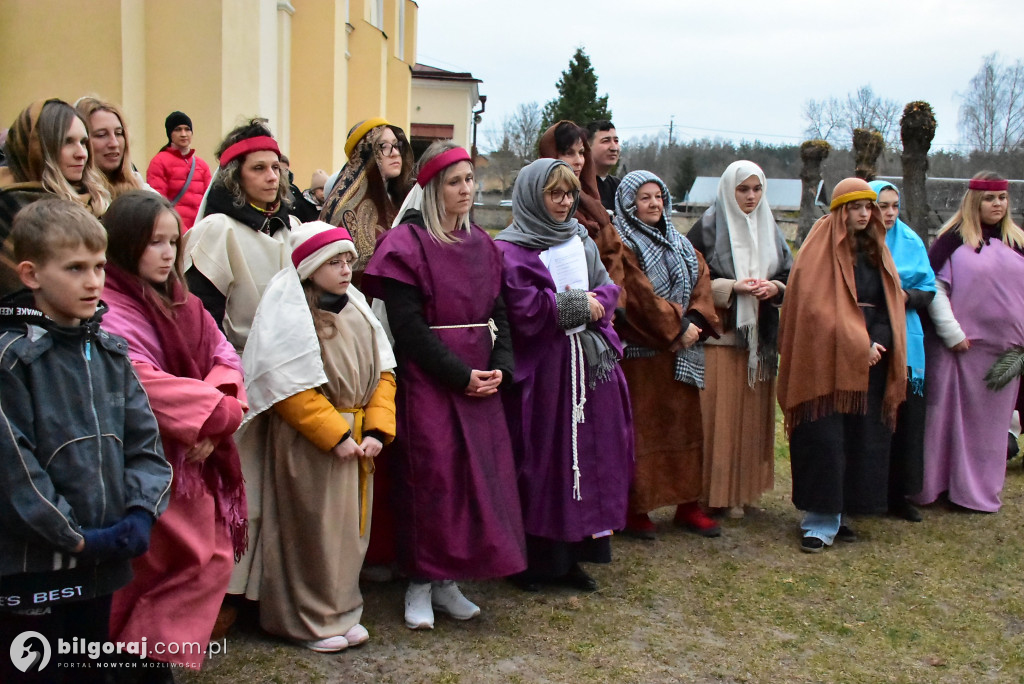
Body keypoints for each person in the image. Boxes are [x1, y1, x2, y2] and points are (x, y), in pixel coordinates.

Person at [0, 199, 172, 681]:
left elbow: (145, 442)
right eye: (75, 268)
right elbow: (15, 469)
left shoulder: (110, 352)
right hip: (34, 569)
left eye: (98, 266)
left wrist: (140, 512)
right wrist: (72, 535)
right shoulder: (11, 361)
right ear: (31, 274)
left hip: (101, 562)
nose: (93, 281)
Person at [362, 141, 526, 630]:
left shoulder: (483, 244)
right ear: (432, 188)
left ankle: (448, 581)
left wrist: (501, 364)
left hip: (480, 382)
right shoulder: (406, 245)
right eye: (455, 182)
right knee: (431, 481)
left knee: (474, 482)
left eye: (470, 180)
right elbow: (409, 330)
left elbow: (499, 313)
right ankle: (418, 581)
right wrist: (459, 376)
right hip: (430, 382)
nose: (466, 190)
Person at [99, 191, 247, 672]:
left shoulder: (184, 302)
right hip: (149, 459)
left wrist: (218, 412)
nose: (166, 253)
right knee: (167, 566)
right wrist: (216, 415)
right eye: (153, 242)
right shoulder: (110, 307)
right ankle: (136, 661)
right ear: (123, 245)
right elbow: (139, 379)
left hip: (194, 457)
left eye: (172, 241)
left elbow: (224, 356)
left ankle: (147, 660)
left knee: (207, 560)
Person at [239, 221, 396, 652]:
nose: (346, 269)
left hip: (360, 440)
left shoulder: (359, 309)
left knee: (349, 533)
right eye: (334, 262)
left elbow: (385, 373)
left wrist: (379, 428)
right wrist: (334, 434)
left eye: (348, 260)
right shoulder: (291, 314)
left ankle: (342, 611)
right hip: (311, 444)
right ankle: (306, 619)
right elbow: (288, 388)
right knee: (311, 531)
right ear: (310, 266)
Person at [495, 158, 632, 592]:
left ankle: (575, 557)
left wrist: (594, 303)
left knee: (589, 458)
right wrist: (578, 306)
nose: (563, 201)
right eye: (554, 193)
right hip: (545, 374)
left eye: (569, 193)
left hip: (587, 366)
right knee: (545, 461)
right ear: (534, 196)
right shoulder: (511, 248)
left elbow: (608, 287)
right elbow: (523, 307)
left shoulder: (580, 239)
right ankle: (534, 562)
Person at [777, 178, 907, 553]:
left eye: (869, 207)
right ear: (839, 210)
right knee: (825, 439)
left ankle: (845, 510)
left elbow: (889, 301)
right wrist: (857, 344)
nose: (864, 214)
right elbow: (815, 310)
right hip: (826, 361)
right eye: (855, 207)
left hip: (873, 359)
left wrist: (877, 341)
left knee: (861, 439)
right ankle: (819, 517)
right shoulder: (818, 250)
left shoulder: (875, 250)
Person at [612, 171, 722, 539]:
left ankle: (688, 504)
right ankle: (636, 509)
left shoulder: (680, 241)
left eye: (658, 196)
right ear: (629, 204)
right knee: (643, 433)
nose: (654, 203)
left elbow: (702, 280)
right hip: (644, 356)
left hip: (682, 354)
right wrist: (674, 328)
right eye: (644, 197)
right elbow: (637, 297)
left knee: (685, 429)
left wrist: (692, 321)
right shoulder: (621, 242)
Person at [913, 172, 1024, 513]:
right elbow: (936, 289)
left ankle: (976, 492)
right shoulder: (951, 241)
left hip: (1004, 353)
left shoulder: (1017, 242)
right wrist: (952, 333)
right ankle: (938, 486)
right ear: (975, 201)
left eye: (1002, 198)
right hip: (958, 350)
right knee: (944, 421)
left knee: (988, 429)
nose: (997, 205)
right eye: (991, 199)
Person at [687, 161, 792, 518]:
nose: (750, 197)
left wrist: (773, 287)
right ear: (729, 190)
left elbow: (789, 276)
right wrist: (732, 287)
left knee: (750, 419)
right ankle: (711, 494)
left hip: (758, 342)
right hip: (721, 338)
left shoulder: (771, 228)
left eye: (756, 189)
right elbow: (691, 280)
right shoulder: (707, 227)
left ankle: (744, 492)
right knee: (718, 418)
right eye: (743, 189)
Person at [182, 119, 298, 352]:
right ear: (235, 176)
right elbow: (204, 317)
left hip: (292, 359)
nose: (272, 176)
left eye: (276, 167)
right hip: (239, 361)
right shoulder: (216, 231)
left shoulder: (292, 227)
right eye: (258, 168)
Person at [867, 180, 935, 522]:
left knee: (906, 420)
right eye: (882, 205)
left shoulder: (911, 241)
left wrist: (905, 297)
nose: (889, 213)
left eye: (894, 205)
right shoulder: (860, 241)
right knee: (874, 421)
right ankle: (870, 493)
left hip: (907, 339)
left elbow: (928, 288)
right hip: (871, 339)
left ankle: (900, 494)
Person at [1, 99, 111, 295]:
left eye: (84, 142)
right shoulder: (9, 206)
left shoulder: (97, 203)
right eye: (67, 142)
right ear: (38, 149)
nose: (82, 154)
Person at [321, 118, 414, 282]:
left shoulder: (403, 198)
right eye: (383, 147)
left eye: (396, 145)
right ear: (366, 154)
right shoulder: (345, 208)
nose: (394, 153)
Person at [539, 120, 627, 288]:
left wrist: (612, 306)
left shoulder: (595, 209)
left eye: (581, 153)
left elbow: (615, 264)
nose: (579, 161)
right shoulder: (533, 215)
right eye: (569, 153)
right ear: (551, 156)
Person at [146, 111, 212, 230]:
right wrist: (181, 232)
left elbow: (209, 201)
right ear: (170, 133)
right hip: (173, 231)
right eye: (178, 129)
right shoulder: (159, 162)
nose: (183, 134)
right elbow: (159, 203)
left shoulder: (202, 166)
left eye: (187, 129)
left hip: (200, 231)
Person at [74, 97, 147, 200]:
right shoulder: (70, 198)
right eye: (101, 135)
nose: (114, 143)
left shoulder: (141, 190)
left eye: (118, 133)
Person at [587, 120, 621, 211]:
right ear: (587, 146)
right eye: (606, 141)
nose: (614, 148)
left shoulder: (620, 187)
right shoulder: (578, 186)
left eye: (616, 141)